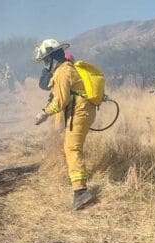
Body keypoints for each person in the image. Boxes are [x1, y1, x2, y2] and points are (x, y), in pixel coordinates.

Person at [34, 39, 96, 211]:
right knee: (72, 148)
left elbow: (60, 101)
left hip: (79, 111)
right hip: (83, 110)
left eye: (46, 60)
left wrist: (44, 113)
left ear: (53, 57)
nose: (46, 64)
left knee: (72, 149)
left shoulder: (62, 72)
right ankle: (79, 189)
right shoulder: (68, 69)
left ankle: (81, 192)